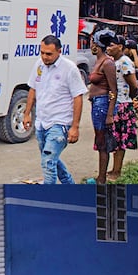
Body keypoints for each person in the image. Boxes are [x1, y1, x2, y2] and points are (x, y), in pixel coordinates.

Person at [23, 35, 87, 185]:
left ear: (59, 51)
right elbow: (33, 89)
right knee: (51, 160)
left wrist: (75, 127)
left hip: (60, 124)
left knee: (48, 163)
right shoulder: (39, 65)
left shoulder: (69, 68)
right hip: (42, 122)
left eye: (49, 54)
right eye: (42, 52)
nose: (45, 57)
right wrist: (26, 114)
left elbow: (78, 97)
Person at [86, 30, 119, 184]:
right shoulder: (99, 61)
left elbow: (113, 90)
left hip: (103, 104)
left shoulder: (107, 63)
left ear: (97, 46)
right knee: (100, 141)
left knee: (102, 142)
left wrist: (110, 114)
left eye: (93, 43)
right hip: (97, 104)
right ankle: (101, 176)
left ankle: (101, 178)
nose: (91, 45)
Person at [106, 36, 138, 181]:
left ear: (120, 47)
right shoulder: (114, 62)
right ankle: (114, 168)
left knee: (120, 141)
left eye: (112, 45)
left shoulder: (125, 62)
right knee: (115, 139)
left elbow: (134, 85)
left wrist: (129, 99)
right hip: (116, 103)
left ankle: (117, 171)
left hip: (123, 104)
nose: (108, 48)